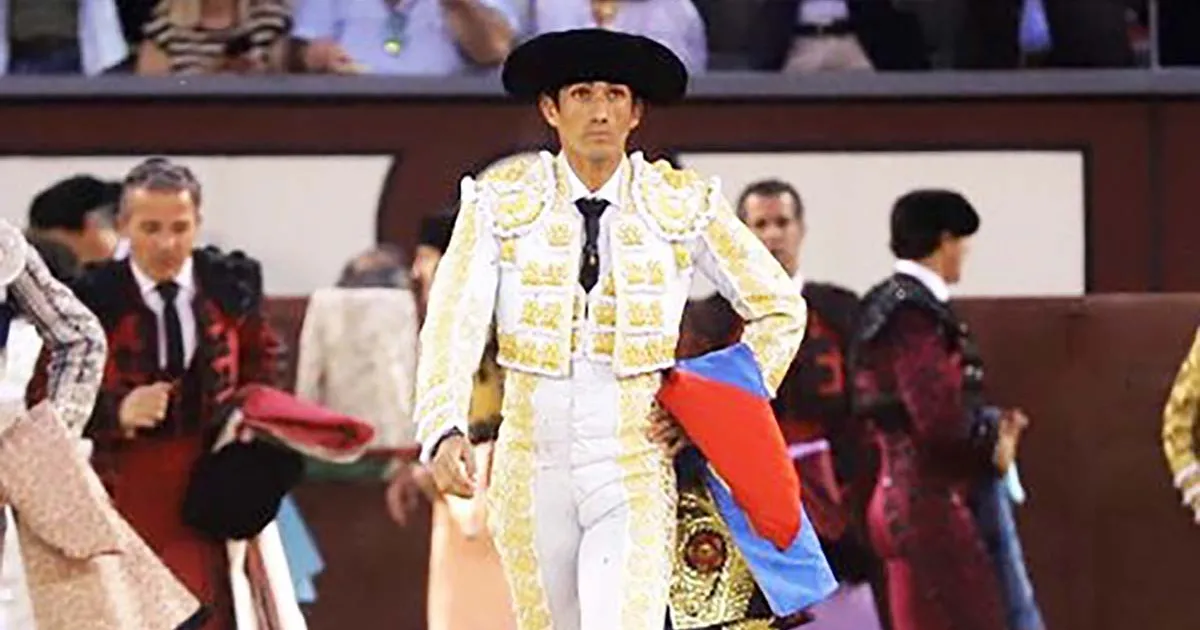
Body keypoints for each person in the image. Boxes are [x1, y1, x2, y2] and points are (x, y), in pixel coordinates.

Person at [414, 28, 806, 629]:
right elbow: (453, 321)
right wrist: (441, 426)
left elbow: (780, 309)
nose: (599, 110)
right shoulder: (498, 203)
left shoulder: (682, 204)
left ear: (636, 111)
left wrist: (710, 410)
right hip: (530, 461)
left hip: (633, 458)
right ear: (551, 109)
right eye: (581, 93)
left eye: (615, 94)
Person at [28, 157, 286, 630]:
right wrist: (114, 412)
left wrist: (247, 418)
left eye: (180, 227)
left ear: (198, 224)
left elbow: (262, 364)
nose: (167, 244)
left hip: (210, 486)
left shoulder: (228, 287)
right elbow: (43, 397)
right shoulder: (90, 297)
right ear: (124, 226)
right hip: (119, 485)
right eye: (150, 228)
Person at [847, 190, 1030, 630]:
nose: (965, 252)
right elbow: (938, 420)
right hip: (929, 507)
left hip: (891, 498)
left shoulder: (877, 303)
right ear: (945, 240)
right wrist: (994, 444)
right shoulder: (914, 314)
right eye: (963, 241)